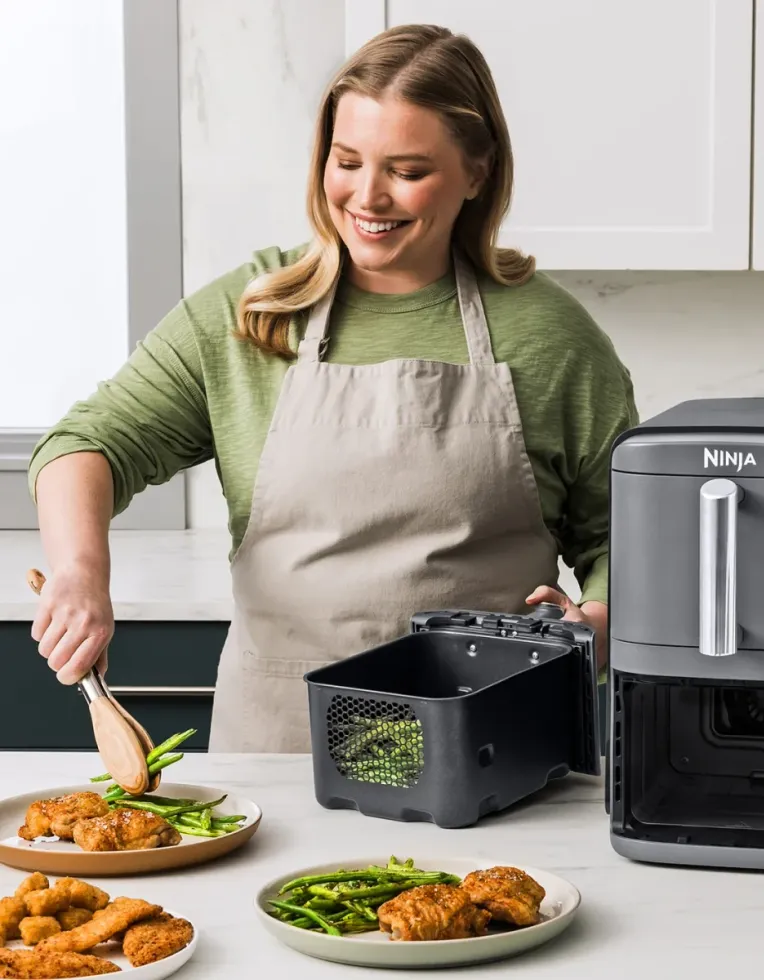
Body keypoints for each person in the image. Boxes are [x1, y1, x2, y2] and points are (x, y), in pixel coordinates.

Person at [27, 24, 638, 753]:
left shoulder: (550, 336)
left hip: (491, 751)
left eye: (407, 170)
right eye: (346, 161)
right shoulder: (253, 317)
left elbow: (633, 539)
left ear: (478, 172)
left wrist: (597, 620)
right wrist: (80, 572)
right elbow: (88, 442)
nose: (367, 196)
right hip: (280, 756)